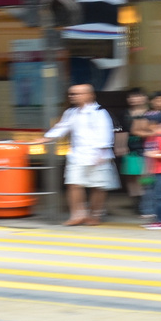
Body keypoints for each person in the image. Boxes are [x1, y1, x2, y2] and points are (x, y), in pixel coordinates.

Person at [43, 83, 119, 226]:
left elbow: (105, 134)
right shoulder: (70, 112)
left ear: (90, 95)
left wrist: (101, 153)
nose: (73, 96)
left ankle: (95, 215)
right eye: (71, 94)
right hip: (77, 155)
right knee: (73, 184)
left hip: (98, 155)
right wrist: (46, 138)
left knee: (98, 187)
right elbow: (61, 128)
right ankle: (77, 214)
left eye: (77, 94)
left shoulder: (100, 112)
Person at [122, 89, 151, 215]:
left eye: (139, 96)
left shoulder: (151, 113)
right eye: (132, 97)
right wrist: (121, 146)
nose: (135, 99)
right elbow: (121, 131)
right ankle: (136, 201)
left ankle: (147, 201)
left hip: (147, 146)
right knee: (132, 177)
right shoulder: (124, 114)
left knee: (145, 176)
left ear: (145, 98)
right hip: (130, 147)